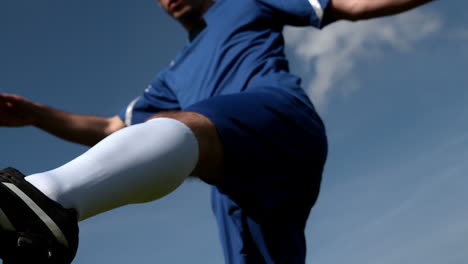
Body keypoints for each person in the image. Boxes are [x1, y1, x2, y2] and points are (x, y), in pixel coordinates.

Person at [0, 0, 436, 263]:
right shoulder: (171, 75)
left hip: (277, 121)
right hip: (233, 184)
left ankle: (45, 198)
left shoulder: (245, 4)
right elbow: (112, 128)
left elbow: (352, 6)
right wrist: (38, 114)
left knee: (181, 124)